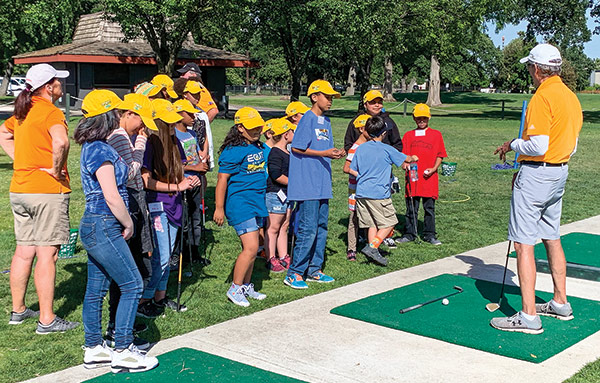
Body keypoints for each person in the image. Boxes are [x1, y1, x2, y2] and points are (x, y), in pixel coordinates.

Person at [491, 43, 583, 334]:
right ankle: (559, 302)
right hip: (559, 173)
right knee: (551, 236)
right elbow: (573, 144)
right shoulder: (570, 97)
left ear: (538, 69)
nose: (529, 71)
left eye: (530, 66)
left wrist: (515, 145)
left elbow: (538, 145)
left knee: (523, 243)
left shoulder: (542, 97)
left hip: (538, 174)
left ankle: (529, 316)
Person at [76, 90, 158, 373]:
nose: (119, 116)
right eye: (116, 112)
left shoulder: (94, 145)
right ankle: (122, 348)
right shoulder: (100, 149)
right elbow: (111, 195)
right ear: (108, 115)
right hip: (105, 222)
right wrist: (129, 222)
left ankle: (94, 347)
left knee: (96, 289)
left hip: (95, 224)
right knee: (133, 284)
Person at [0, 63, 79, 333]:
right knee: (48, 254)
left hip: (20, 189)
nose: (62, 85)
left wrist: (21, 160)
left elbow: (3, 133)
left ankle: (18, 310)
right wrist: (56, 170)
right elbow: (61, 143)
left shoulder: (23, 111)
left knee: (24, 250)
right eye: (59, 81)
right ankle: (47, 319)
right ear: (49, 87)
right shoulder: (51, 112)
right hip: (46, 191)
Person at [137, 99, 200, 318]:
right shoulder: (151, 143)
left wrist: (190, 180)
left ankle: (160, 297)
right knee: (161, 257)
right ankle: (143, 300)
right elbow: (146, 181)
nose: (174, 126)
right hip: (157, 205)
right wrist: (177, 186)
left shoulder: (175, 142)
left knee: (169, 252)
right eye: (170, 123)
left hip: (174, 204)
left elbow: (181, 169)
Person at [105, 93, 157, 349]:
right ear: (128, 114)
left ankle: (122, 322)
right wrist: (141, 145)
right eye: (140, 121)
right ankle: (117, 328)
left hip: (134, 201)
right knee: (131, 269)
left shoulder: (122, 135)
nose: (142, 127)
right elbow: (128, 172)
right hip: (130, 200)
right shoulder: (121, 137)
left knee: (135, 266)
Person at [284, 80, 346, 289]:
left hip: (322, 183)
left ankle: (314, 269)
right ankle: (294, 273)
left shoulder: (325, 122)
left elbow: (323, 148)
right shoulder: (306, 120)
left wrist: (335, 152)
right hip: (307, 184)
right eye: (327, 96)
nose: (330, 101)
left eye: (331, 97)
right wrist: (324, 153)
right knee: (308, 228)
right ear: (314, 97)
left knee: (321, 227)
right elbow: (297, 149)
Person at [213, 107, 268, 307]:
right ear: (240, 128)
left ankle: (246, 285)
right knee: (251, 247)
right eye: (252, 128)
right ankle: (235, 288)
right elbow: (222, 179)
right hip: (240, 204)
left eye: (258, 127)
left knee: (255, 247)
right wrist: (219, 208)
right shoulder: (233, 151)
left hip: (257, 203)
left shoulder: (259, 147)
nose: (257, 130)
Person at [349, 115, 417, 266]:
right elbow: (405, 159)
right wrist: (413, 158)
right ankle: (373, 247)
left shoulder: (360, 149)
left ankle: (374, 252)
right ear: (384, 133)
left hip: (361, 193)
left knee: (372, 223)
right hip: (379, 194)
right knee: (390, 222)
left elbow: (352, 169)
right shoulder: (387, 149)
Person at [397, 104, 447, 245]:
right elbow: (403, 156)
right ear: (414, 118)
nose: (421, 120)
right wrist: (405, 165)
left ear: (429, 118)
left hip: (429, 178)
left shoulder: (436, 135)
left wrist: (433, 168)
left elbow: (440, 155)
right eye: (419, 118)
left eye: (424, 118)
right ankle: (410, 233)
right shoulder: (408, 135)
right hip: (413, 178)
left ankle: (429, 234)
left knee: (429, 208)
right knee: (411, 207)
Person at [173, 99, 210, 266]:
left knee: (196, 218)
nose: (194, 116)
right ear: (180, 115)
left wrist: (203, 161)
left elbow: (195, 154)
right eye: (190, 113)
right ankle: (181, 254)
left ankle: (195, 252)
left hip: (197, 181)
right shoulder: (174, 135)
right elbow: (176, 163)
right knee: (184, 220)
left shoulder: (192, 134)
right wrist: (195, 167)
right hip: (183, 181)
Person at [265, 119, 295, 272]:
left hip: (287, 194)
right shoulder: (275, 153)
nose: (293, 133)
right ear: (285, 134)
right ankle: (270, 258)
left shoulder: (287, 151)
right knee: (273, 227)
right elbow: (276, 174)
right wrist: (294, 183)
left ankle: (283, 256)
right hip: (276, 194)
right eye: (292, 131)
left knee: (285, 225)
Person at [342, 114, 370, 261]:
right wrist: (359, 174)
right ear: (361, 129)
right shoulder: (355, 148)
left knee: (369, 218)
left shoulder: (369, 146)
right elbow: (346, 168)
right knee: (354, 220)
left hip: (367, 190)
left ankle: (370, 246)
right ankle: (351, 249)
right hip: (356, 191)